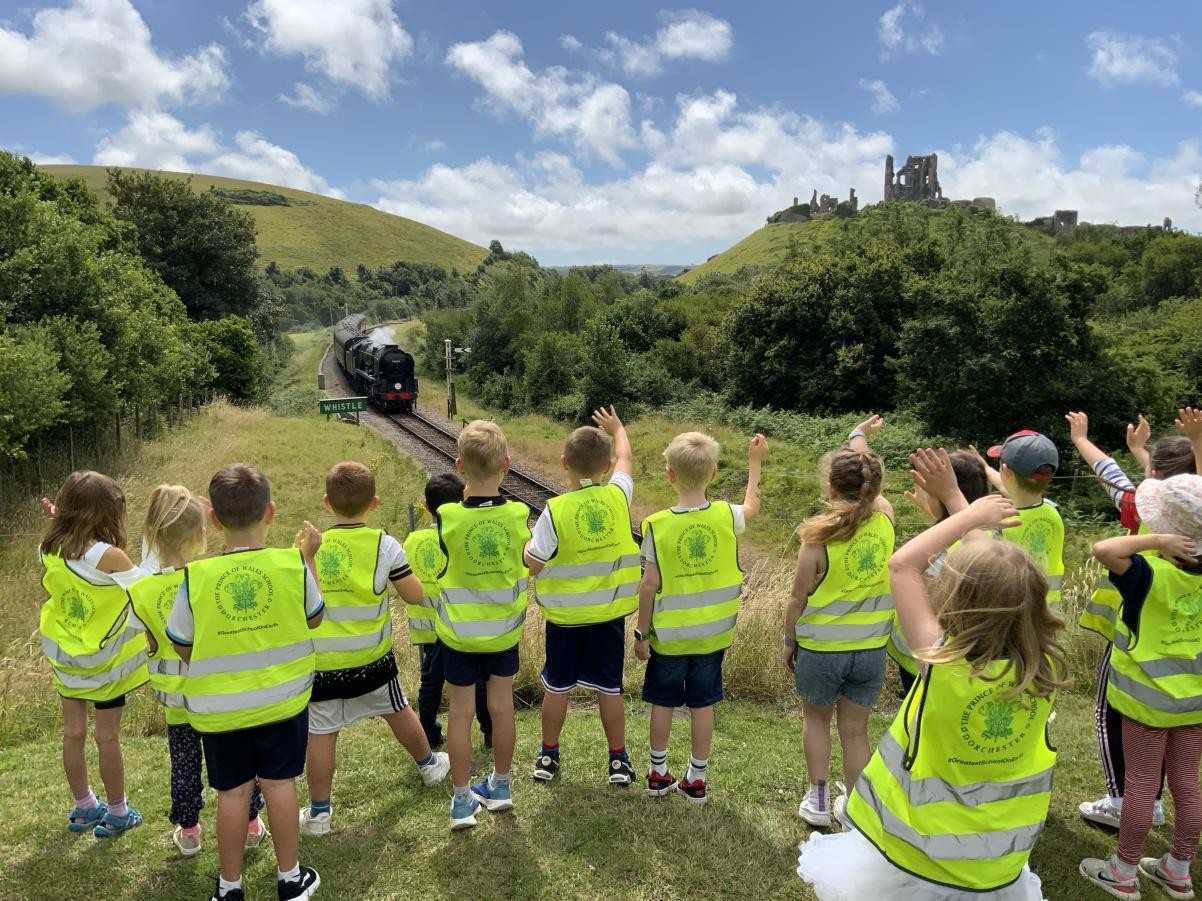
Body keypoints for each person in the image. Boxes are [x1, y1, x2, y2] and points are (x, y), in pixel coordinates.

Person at [798, 495, 1068, 901]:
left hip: (923, 848)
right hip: (995, 853)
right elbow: (1000, 583)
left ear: (956, 600)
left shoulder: (942, 664)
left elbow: (903, 565)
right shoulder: (1044, 671)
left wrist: (969, 514)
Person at [167, 464, 323, 901]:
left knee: (232, 794)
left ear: (214, 520)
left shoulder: (194, 578)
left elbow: (182, 644)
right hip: (283, 702)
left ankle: (230, 887)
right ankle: (290, 879)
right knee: (280, 785)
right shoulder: (292, 565)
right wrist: (308, 558)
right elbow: (315, 618)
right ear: (271, 513)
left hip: (220, 711)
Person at [1065, 409, 1202, 830]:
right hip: (1184, 656)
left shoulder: (1138, 507)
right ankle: (1152, 806)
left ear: (1155, 476)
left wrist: (1080, 439)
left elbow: (1114, 476)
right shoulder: (1196, 518)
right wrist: (1148, 450)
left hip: (1133, 629)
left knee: (1111, 714)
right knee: (1173, 746)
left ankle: (1123, 799)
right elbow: (1174, 484)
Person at [300, 462, 450, 837]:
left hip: (323, 665)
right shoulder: (386, 544)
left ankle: (319, 813)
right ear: (375, 503)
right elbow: (414, 595)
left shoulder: (307, 547)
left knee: (321, 734)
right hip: (372, 660)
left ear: (326, 501)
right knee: (398, 710)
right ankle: (430, 765)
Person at [1080, 474, 1202, 900]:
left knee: (1142, 786)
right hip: (1195, 701)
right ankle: (1179, 870)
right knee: (1188, 783)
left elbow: (1103, 549)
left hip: (1146, 704)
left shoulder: (1147, 572)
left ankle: (1124, 871)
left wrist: (1157, 542)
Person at [126, 485, 266, 856]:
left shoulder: (140, 592)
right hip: (220, 695)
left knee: (184, 765)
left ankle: (189, 832)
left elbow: (151, 643)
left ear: (151, 536)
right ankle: (251, 823)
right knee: (238, 763)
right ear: (204, 534)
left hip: (176, 701)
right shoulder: (209, 578)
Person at [634, 430, 767, 805]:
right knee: (701, 705)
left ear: (669, 474)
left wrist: (641, 634)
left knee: (663, 702)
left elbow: (649, 586)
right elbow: (752, 506)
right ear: (713, 474)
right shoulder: (727, 515)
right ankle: (697, 779)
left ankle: (658, 773)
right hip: (713, 636)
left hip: (670, 638)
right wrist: (755, 463)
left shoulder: (656, 526)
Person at [784, 417, 894, 828]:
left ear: (829, 488)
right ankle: (855, 807)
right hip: (869, 650)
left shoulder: (817, 537)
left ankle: (817, 799)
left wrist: (787, 640)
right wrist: (858, 440)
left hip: (822, 650)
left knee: (816, 720)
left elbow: (798, 597)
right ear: (875, 489)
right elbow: (870, 487)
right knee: (855, 732)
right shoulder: (885, 520)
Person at [525, 406, 640, 786]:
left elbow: (536, 564)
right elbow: (626, 456)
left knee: (557, 686)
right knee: (610, 688)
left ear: (564, 463)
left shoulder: (554, 511)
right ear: (606, 467)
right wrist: (618, 427)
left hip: (565, 620)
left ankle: (549, 754)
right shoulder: (618, 497)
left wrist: (527, 551)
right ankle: (618, 761)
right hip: (609, 618)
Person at [39, 471, 149, 838]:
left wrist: (59, 517)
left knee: (73, 732)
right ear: (107, 514)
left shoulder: (50, 546)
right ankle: (117, 812)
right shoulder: (109, 556)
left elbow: (70, 541)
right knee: (107, 737)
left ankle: (84, 806)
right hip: (105, 663)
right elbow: (145, 590)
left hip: (67, 655)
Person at [437, 421, 531, 830]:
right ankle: (502, 785)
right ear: (507, 464)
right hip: (503, 632)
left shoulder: (446, 518)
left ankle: (461, 802)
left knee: (460, 714)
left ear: (459, 466)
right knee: (502, 706)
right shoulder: (519, 515)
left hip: (458, 635)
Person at [887, 447, 989, 696]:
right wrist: (938, 509)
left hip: (928, 658)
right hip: (956, 660)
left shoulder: (938, 552)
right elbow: (962, 526)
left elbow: (906, 570)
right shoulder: (988, 538)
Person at [402, 472, 492, 751]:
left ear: (427, 507)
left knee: (430, 682)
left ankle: (428, 731)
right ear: (460, 501)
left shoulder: (412, 540)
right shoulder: (461, 534)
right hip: (458, 624)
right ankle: (489, 731)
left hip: (428, 627)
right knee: (477, 679)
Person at [979, 430, 1065, 607]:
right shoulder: (1053, 510)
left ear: (1005, 470)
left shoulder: (1000, 524)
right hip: (1047, 612)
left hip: (1014, 615)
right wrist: (987, 469)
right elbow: (1015, 491)